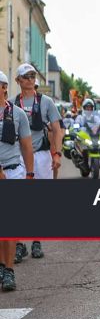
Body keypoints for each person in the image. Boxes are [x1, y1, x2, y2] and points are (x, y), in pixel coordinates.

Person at [13, 63, 62, 261]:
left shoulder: (46, 102)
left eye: (33, 75)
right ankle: (17, 244)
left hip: (41, 155)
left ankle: (36, 241)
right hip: (18, 157)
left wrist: (57, 153)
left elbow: (57, 129)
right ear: (18, 81)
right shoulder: (11, 103)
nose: (31, 79)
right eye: (26, 76)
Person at [0, 70, 34, 291]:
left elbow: (26, 146)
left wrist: (30, 174)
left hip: (13, 172)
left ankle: (9, 270)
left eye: (2, 86)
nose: (1, 89)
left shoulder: (18, 114)